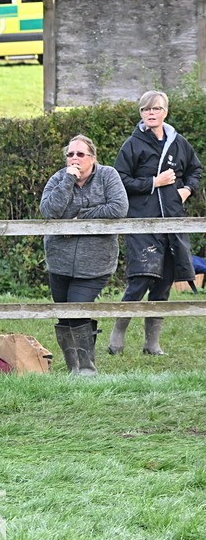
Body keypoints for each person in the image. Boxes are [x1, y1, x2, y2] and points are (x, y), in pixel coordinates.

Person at [109, 90, 202, 356]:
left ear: (166, 112)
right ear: (141, 114)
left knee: (164, 282)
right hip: (142, 222)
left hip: (172, 221)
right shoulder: (132, 144)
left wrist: (187, 190)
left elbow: (195, 169)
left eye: (156, 109)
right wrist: (153, 183)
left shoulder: (178, 142)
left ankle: (152, 343)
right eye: (145, 110)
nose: (151, 113)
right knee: (140, 280)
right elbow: (120, 179)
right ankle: (117, 337)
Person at [39, 134, 128, 375]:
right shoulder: (58, 178)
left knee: (77, 310)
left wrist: (80, 220)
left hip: (96, 261)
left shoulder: (108, 175)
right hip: (59, 260)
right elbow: (49, 211)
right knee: (63, 315)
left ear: (93, 157)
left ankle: (87, 369)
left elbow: (118, 207)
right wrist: (68, 181)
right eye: (70, 154)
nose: (75, 159)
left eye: (80, 154)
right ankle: (73, 369)